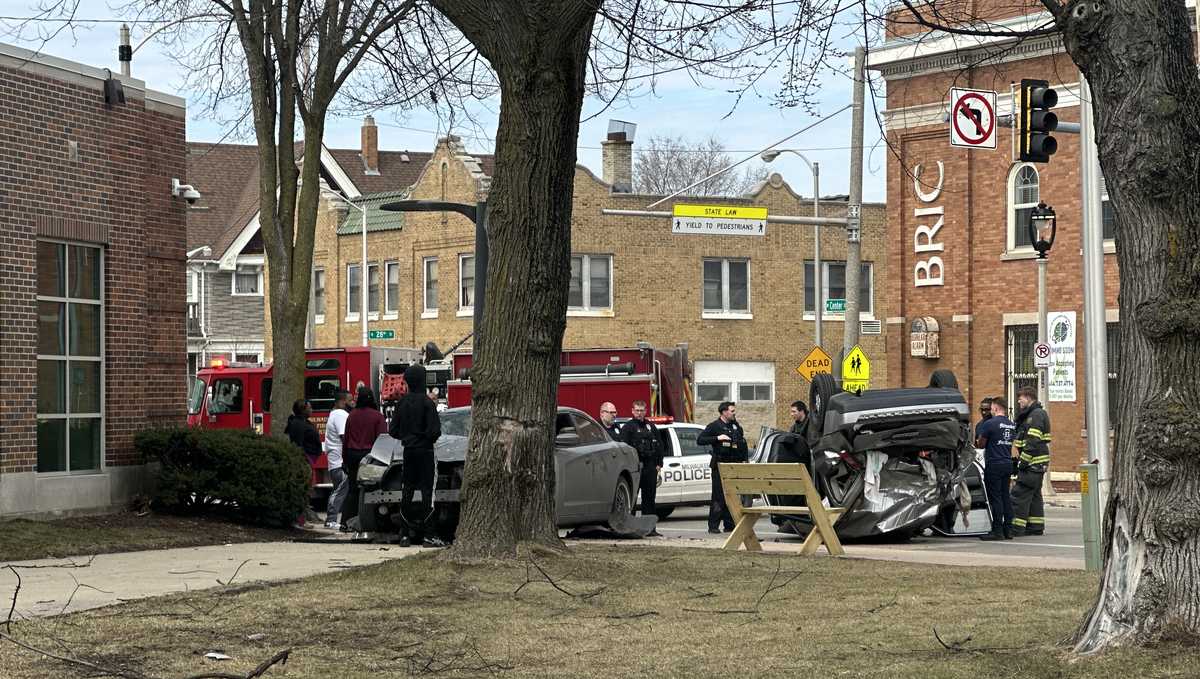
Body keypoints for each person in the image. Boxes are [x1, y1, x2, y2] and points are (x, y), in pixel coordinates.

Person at [390, 364, 443, 547]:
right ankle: (429, 534)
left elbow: (393, 430)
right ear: (422, 380)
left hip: (408, 452)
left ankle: (404, 534)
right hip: (426, 452)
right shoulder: (427, 403)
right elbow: (435, 431)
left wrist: (407, 437)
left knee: (407, 491)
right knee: (428, 492)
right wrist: (424, 437)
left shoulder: (401, 403)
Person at [342, 387, 388, 536]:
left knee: (352, 490)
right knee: (371, 490)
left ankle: (345, 522)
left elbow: (346, 439)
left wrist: (345, 460)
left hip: (352, 454)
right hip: (370, 456)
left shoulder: (352, 416)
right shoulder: (378, 417)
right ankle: (368, 521)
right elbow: (382, 439)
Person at [697, 401, 748, 534]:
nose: (734, 413)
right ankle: (713, 526)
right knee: (718, 496)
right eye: (732, 411)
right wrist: (717, 438)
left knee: (731, 496)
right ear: (724, 412)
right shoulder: (715, 426)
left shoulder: (735, 426)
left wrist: (744, 460)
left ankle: (729, 524)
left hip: (733, 465)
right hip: (719, 465)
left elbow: (742, 443)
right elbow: (700, 440)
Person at [1011, 386, 1051, 536]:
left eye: (1020, 398)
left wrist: (1023, 462)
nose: (1018, 401)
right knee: (1034, 495)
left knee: (1019, 494)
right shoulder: (1033, 414)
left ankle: (1016, 527)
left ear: (1028, 397)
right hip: (1036, 464)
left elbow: (1032, 441)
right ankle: (1035, 526)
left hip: (1032, 463)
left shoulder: (1035, 415)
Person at [974, 397, 1016, 541]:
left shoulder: (990, 424)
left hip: (994, 463)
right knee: (1005, 496)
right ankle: (1008, 529)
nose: (989, 411)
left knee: (995, 497)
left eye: (991, 408)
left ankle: (997, 530)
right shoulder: (1011, 424)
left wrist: (980, 440)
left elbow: (980, 444)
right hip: (1007, 463)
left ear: (996, 408)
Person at [620, 400, 664, 531]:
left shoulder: (651, 426)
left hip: (650, 467)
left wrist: (659, 464)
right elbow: (624, 448)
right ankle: (629, 528)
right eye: (637, 410)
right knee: (632, 500)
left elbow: (660, 445)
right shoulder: (628, 427)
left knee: (649, 499)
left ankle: (650, 529)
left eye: (642, 410)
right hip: (635, 467)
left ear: (646, 411)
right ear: (632, 411)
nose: (639, 413)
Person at [323, 390, 351, 530]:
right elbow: (344, 437)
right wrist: (348, 456)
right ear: (342, 401)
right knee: (340, 489)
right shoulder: (340, 415)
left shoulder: (333, 414)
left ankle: (335, 519)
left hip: (335, 459)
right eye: (350, 400)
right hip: (339, 461)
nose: (352, 403)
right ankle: (331, 519)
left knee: (339, 489)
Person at [284, 399, 321, 468]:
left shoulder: (303, 421)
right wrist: (306, 460)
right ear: (303, 410)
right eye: (309, 408)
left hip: (310, 459)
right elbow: (298, 444)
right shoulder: (298, 424)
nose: (311, 410)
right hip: (305, 461)